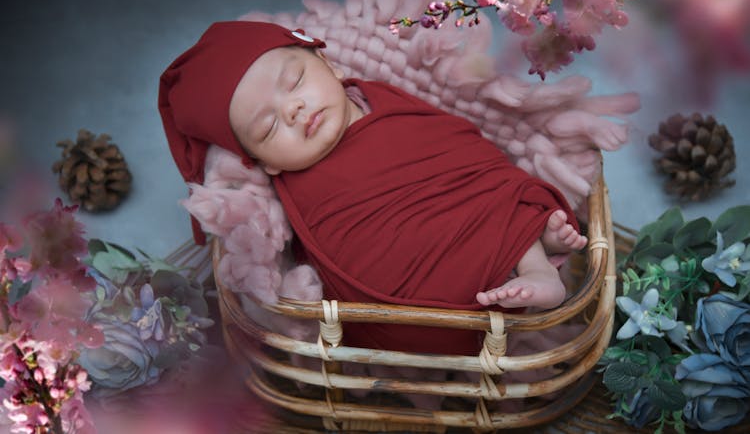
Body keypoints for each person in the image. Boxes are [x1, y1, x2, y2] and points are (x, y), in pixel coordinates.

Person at [159, 21, 587, 355]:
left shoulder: (384, 100)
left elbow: (463, 150)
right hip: (410, 290)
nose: (293, 110)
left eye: (294, 83)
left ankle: (533, 261)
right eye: (269, 126)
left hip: (466, 200)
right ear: (266, 163)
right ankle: (521, 260)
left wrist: (483, 187)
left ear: (332, 66)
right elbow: (327, 251)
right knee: (479, 224)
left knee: (498, 195)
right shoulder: (296, 187)